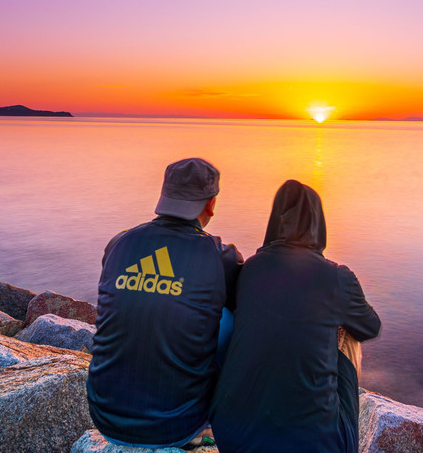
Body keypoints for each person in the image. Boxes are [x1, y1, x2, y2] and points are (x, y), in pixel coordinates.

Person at [210, 180, 381, 453]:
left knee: (237, 317)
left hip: (232, 436)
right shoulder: (336, 276)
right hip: (319, 445)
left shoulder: (249, 269)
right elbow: (370, 327)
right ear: (319, 225)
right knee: (349, 334)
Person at [87, 158, 243, 448]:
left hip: (104, 414)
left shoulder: (119, 243)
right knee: (234, 320)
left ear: (163, 197)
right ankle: (214, 422)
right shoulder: (221, 257)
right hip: (176, 426)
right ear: (211, 204)